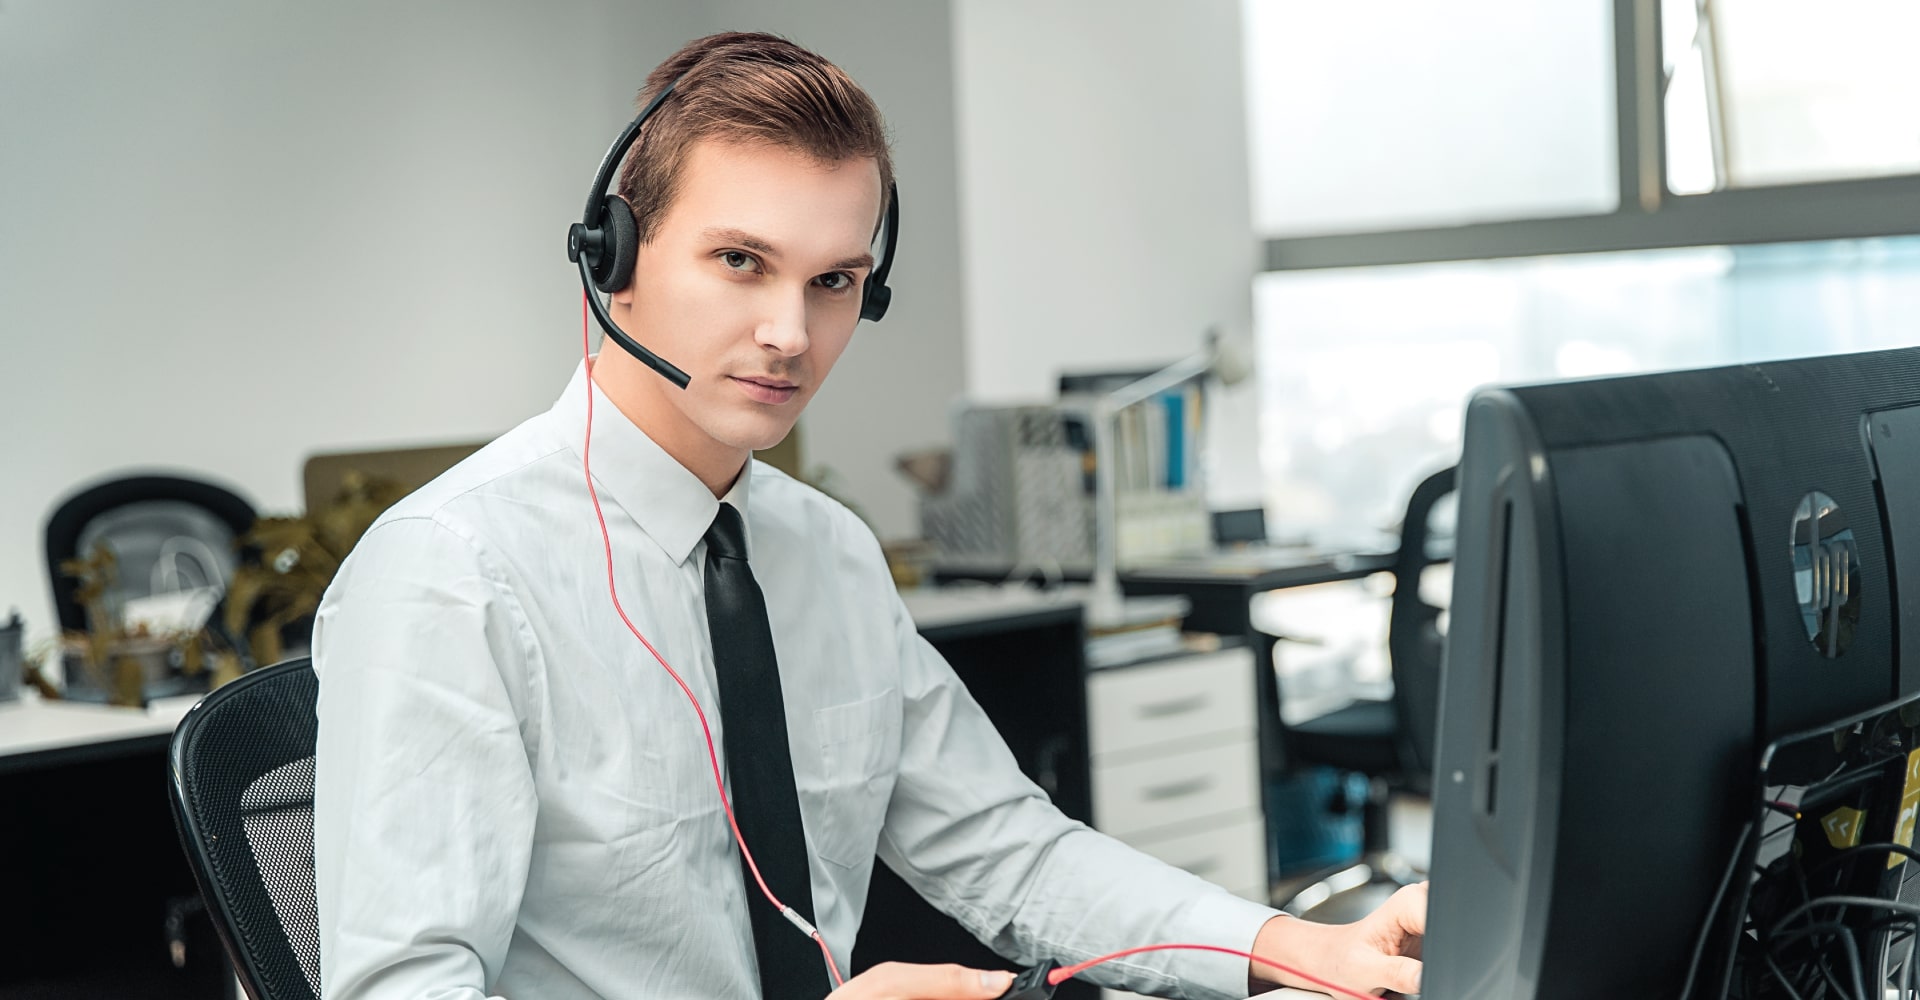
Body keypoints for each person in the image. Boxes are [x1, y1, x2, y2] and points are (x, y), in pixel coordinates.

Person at [311, 31, 1425, 1000]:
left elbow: (1009, 851)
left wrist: (1298, 946)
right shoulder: (452, 575)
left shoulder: (825, 552)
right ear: (615, 256)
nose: (790, 332)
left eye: (835, 281)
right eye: (740, 261)